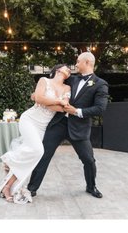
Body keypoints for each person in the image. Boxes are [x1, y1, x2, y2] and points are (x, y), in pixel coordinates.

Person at [28, 52, 109, 199]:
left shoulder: (100, 84)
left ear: (87, 62)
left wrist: (77, 111)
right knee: (44, 156)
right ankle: (31, 188)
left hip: (79, 127)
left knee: (88, 160)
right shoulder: (72, 79)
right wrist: (36, 95)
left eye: (78, 62)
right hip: (59, 123)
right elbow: (52, 84)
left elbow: (100, 108)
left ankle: (91, 187)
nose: (75, 65)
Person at [0, 64, 71, 203]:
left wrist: (44, 100)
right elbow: (38, 99)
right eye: (67, 68)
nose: (69, 70)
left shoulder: (67, 88)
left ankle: (7, 186)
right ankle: (10, 160)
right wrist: (55, 100)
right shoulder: (44, 80)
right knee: (37, 151)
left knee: (32, 156)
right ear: (58, 70)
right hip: (29, 120)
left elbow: (62, 108)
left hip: (42, 127)